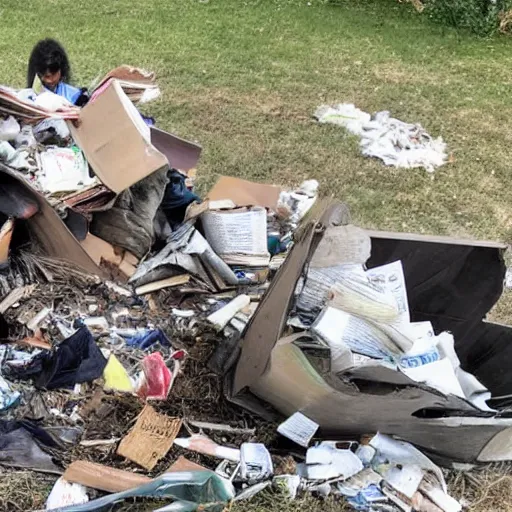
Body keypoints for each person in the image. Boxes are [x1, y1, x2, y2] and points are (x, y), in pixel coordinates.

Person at [27, 39, 89, 106]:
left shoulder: (74, 95)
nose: (50, 80)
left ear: (61, 69)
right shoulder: (30, 95)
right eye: (46, 76)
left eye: (54, 75)